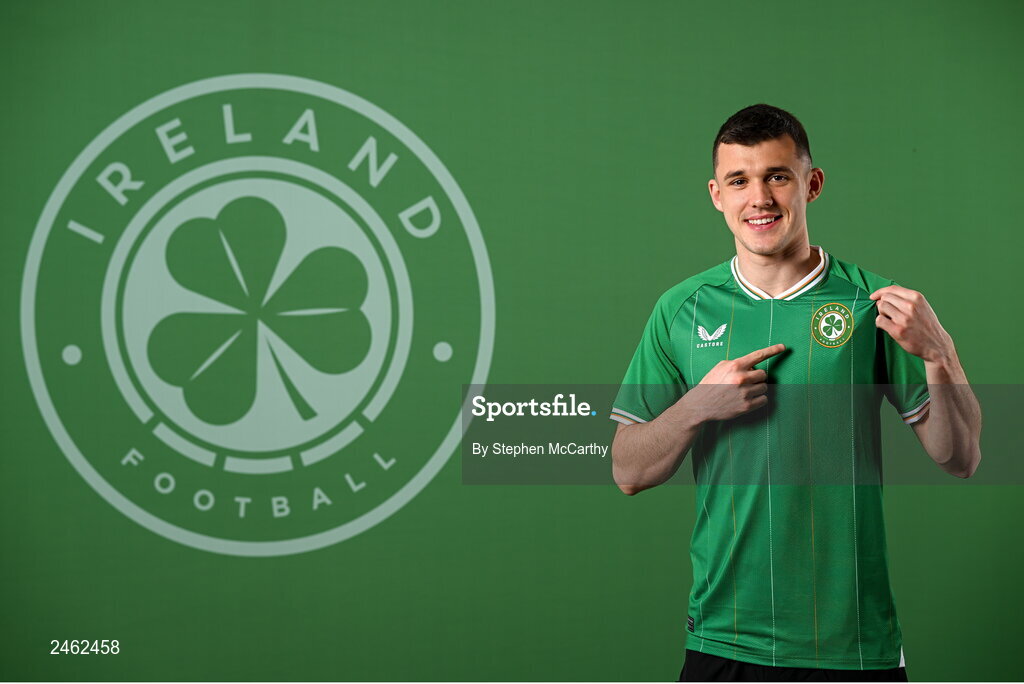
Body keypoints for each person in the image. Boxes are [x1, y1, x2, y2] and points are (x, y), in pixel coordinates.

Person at [608, 104, 982, 682]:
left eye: (776, 176)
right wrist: (696, 407)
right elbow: (627, 470)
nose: (759, 198)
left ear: (812, 183)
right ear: (716, 194)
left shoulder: (874, 302)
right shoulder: (681, 309)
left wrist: (942, 353)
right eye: (739, 180)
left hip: (854, 646)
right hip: (725, 639)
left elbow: (959, 457)